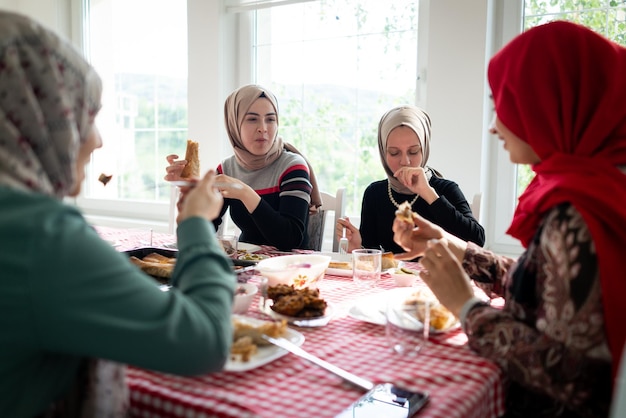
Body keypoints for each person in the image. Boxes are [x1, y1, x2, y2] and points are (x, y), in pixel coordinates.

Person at [0, 11, 235, 416]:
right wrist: (195, 225)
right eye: (85, 116)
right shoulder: (39, 237)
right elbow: (206, 341)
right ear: (37, 118)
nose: (98, 140)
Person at [392, 21, 626, 417]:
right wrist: (449, 245)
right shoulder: (594, 187)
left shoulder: (578, 214)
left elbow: (575, 377)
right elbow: (543, 285)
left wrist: (466, 306)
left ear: (549, 105)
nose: (494, 124)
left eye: (505, 104)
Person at [165, 84, 321, 251]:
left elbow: (290, 240)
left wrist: (244, 193)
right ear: (234, 124)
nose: (263, 128)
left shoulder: (292, 166)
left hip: (292, 269)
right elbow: (203, 230)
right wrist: (189, 189)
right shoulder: (227, 168)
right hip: (244, 264)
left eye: (270, 119)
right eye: (252, 119)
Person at [337, 105, 485, 256]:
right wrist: (357, 247)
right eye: (394, 153)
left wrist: (428, 193)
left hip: (438, 277)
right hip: (391, 279)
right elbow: (372, 255)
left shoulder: (446, 189)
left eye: (413, 151)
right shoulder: (374, 193)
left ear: (424, 149)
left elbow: (477, 241)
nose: (405, 161)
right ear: (383, 152)